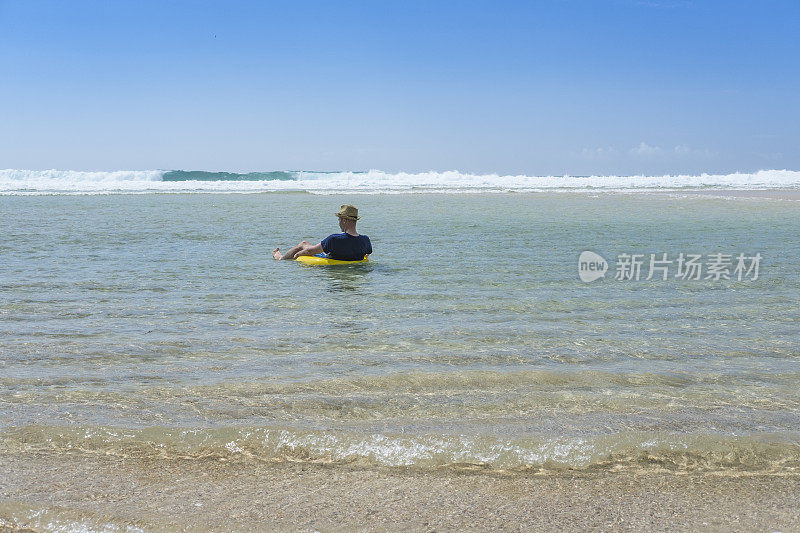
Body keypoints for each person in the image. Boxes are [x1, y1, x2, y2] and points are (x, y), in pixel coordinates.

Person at [272, 204, 373, 261]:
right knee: (320, 247)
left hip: (331, 259)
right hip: (344, 256)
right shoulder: (365, 240)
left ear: (344, 220)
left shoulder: (334, 239)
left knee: (304, 244)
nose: (339, 223)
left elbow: (309, 252)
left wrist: (297, 255)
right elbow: (367, 254)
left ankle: (280, 258)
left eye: (339, 220)